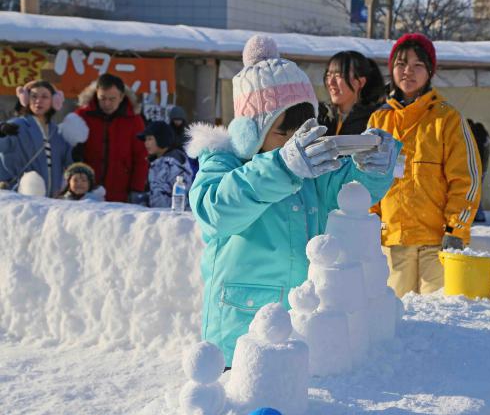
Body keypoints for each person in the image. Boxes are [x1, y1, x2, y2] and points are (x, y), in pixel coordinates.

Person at [187, 35, 399, 364]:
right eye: (281, 133)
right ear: (250, 131)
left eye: (298, 132)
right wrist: (281, 166)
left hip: (301, 325)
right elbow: (214, 210)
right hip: (240, 329)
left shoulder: (310, 168)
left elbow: (352, 193)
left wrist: (373, 168)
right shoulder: (223, 162)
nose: (290, 143)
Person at [368, 33, 482, 298]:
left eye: (418, 64)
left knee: (438, 318)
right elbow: (368, 175)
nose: (408, 71)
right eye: (401, 63)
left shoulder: (447, 118)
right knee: (395, 318)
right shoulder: (378, 119)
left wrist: (456, 229)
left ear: (430, 71)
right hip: (393, 240)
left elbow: (467, 178)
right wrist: (371, 219)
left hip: (438, 242)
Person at [0, 80, 87, 197]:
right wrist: (1, 131)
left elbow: (69, 163)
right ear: (26, 99)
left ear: (54, 101)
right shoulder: (16, 126)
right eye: (33, 96)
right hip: (21, 197)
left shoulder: (58, 132)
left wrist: (76, 153)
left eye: (44, 97)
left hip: (51, 199)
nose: (38, 101)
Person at [73, 73, 149, 203]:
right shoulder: (81, 116)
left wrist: (137, 189)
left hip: (121, 192)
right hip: (86, 192)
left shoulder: (134, 120)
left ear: (121, 97)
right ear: (96, 94)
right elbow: (71, 153)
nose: (107, 103)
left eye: (112, 99)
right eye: (102, 98)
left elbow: (141, 157)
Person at [318, 51, 385, 136]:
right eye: (328, 75)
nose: (331, 82)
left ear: (361, 82)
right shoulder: (320, 116)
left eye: (338, 75)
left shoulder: (376, 120)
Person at [138, 120, 193, 209]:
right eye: (145, 139)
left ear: (161, 139)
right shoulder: (159, 162)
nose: (146, 143)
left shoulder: (171, 164)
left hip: (170, 217)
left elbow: (178, 197)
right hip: (161, 216)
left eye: (150, 139)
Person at [468, 119, 490, 223]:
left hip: (474, 170)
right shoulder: (485, 140)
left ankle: (477, 215)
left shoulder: (474, 140)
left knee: (472, 194)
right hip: (481, 170)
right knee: (477, 193)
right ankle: (479, 215)